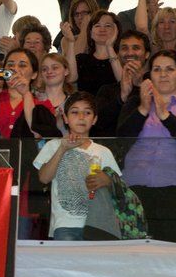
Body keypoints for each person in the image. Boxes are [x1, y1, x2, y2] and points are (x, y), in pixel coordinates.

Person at [117, 50, 176, 244]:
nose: (163, 74)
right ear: (149, 76)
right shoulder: (135, 104)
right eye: (157, 69)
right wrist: (143, 109)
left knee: (174, 252)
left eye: (170, 69)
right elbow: (121, 141)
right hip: (134, 191)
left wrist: (165, 115)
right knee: (135, 253)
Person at [34, 92, 120, 240]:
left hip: (99, 223)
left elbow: (118, 186)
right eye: (74, 112)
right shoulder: (54, 145)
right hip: (65, 224)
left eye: (87, 112)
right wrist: (62, 149)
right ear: (65, 118)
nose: (81, 117)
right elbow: (44, 178)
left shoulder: (103, 151)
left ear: (94, 119)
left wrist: (107, 180)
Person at [0, 48, 60, 138]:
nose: (14, 69)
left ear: (34, 74)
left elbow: (37, 134)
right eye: (10, 65)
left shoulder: (42, 105)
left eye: (22, 65)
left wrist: (26, 94)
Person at [92, 30, 151, 137]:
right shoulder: (106, 90)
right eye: (124, 48)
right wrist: (122, 97)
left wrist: (138, 86)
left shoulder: (156, 87)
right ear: (118, 54)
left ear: (147, 54)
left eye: (136, 48)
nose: (130, 53)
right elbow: (97, 123)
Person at [73, 10, 123, 95]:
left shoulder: (123, 59)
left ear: (116, 31)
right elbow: (70, 79)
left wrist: (109, 47)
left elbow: (123, 83)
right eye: (97, 26)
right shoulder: (81, 59)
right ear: (90, 32)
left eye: (107, 26)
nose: (102, 29)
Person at [37, 53, 74, 134]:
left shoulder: (74, 103)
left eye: (55, 68)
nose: (49, 72)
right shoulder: (32, 100)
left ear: (66, 71)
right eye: (44, 69)